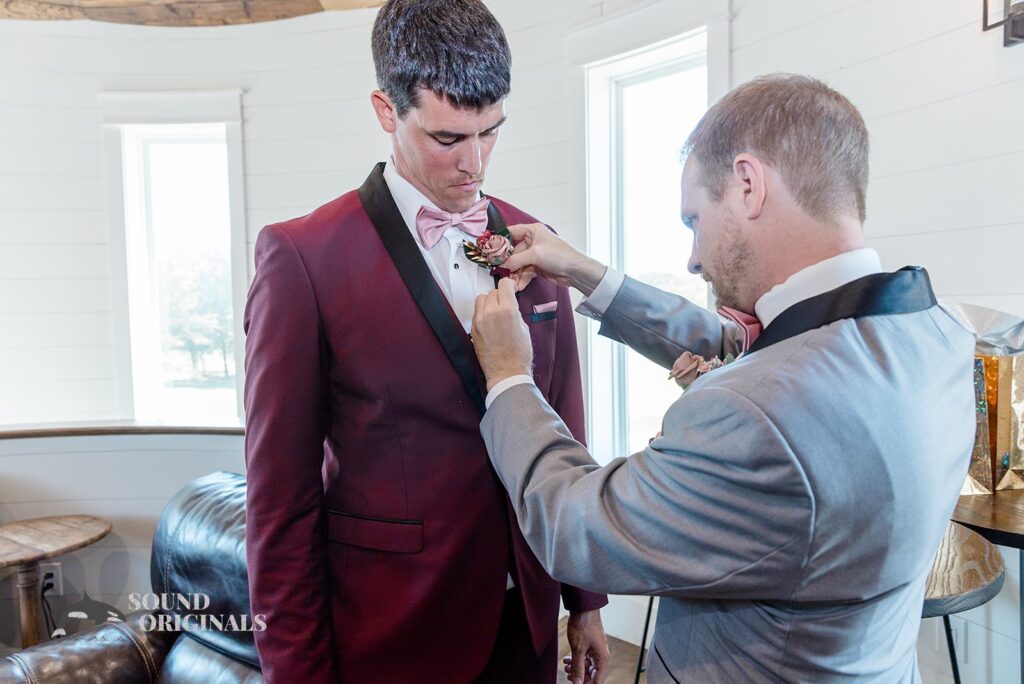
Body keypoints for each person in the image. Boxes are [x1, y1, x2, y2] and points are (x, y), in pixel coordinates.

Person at [470, 74, 975, 682]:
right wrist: (583, 272)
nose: (693, 256)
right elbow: (753, 348)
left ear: (747, 184)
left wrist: (508, 377)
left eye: (693, 219)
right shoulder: (938, 331)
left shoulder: (759, 412)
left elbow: (575, 526)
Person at [243, 1, 608, 682]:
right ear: (387, 110)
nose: (474, 164)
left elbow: (564, 420)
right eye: (448, 139)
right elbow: (279, 503)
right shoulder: (302, 259)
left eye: (490, 133)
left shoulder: (537, 241)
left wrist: (583, 600)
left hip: (527, 621)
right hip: (395, 631)